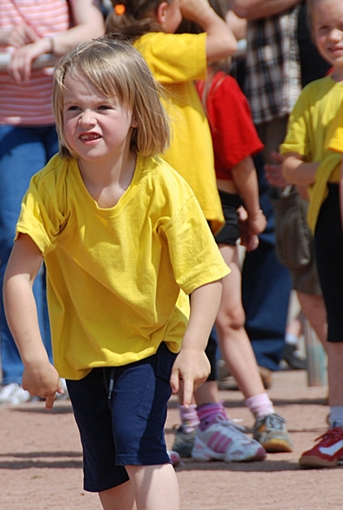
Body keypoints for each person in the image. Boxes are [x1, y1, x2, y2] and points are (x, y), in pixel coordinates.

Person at [3, 39, 230, 510]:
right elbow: (18, 278)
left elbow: (207, 277)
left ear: (136, 114)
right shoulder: (51, 185)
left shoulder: (162, 185)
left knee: (141, 450)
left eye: (103, 107)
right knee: (104, 469)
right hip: (82, 352)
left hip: (152, 340)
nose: (87, 120)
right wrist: (33, 357)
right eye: (74, 109)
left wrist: (194, 347)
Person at [0, 0, 105, 404]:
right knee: (16, 241)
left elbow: (94, 27)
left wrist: (45, 44)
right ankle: (21, 371)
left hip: (70, 118)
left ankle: (74, 363)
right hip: (8, 122)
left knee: (77, 242)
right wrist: (0, 38)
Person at [184, 0, 292, 461]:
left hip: (201, 211)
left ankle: (204, 418)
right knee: (227, 316)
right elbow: (243, 161)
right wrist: (255, 210)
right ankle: (252, 413)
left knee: (205, 320)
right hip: (217, 211)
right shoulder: (219, 87)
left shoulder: (160, 85)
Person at [230, 0, 328, 379]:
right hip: (282, 101)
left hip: (327, 94)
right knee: (292, 235)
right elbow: (242, 5)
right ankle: (265, 351)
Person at [106, 0, 237, 235]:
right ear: (163, 11)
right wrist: (204, 12)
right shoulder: (154, 47)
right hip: (181, 194)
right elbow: (226, 42)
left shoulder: (137, 48)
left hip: (166, 195)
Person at [280, 0, 343, 468]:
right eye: (323, 27)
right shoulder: (312, 94)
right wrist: (327, 169)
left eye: (342, 26)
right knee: (338, 325)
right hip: (329, 220)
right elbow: (289, 165)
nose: (333, 36)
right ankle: (339, 424)